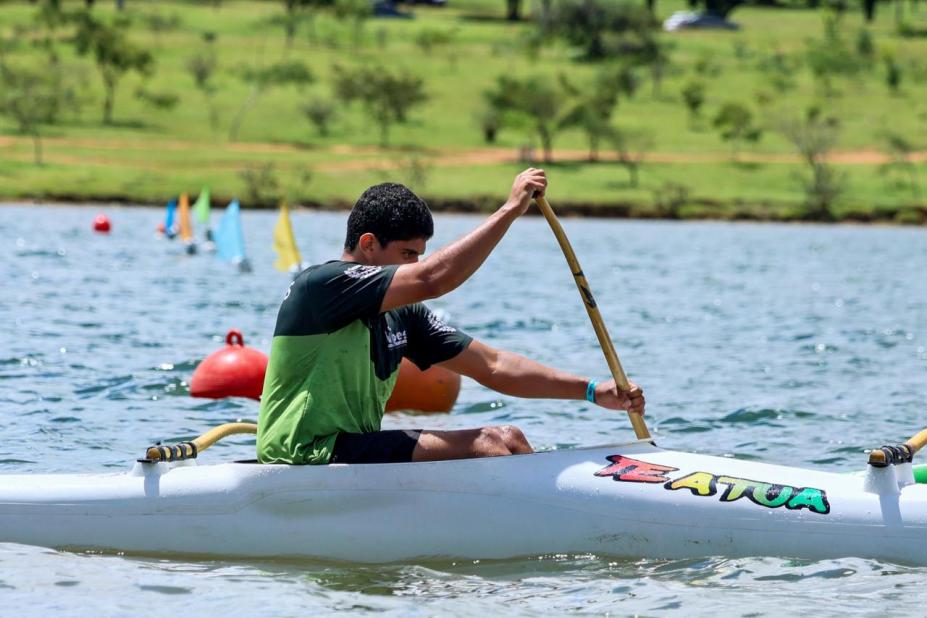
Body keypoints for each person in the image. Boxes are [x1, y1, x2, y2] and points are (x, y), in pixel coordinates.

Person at [257, 169, 645, 465]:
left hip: (350, 452)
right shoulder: (324, 285)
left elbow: (493, 366)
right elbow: (434, 278)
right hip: (301, 456)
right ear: (369, 245)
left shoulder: (401, 315)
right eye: (408, 254)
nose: (415, 265)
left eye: (419, 255)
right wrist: (511, 210)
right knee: (487, 445)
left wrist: (592, 390)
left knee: (508, 437)